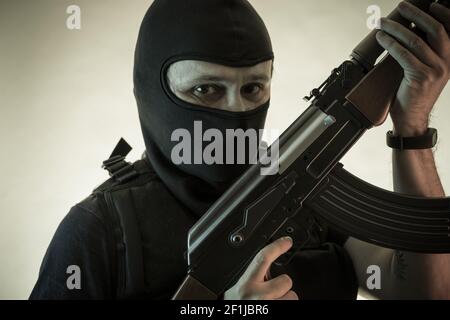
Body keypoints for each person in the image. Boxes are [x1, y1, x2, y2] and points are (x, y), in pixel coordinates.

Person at [30, 0, 450, 300]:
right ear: (154, 94)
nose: (237, 111)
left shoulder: (300, 184)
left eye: (253, 88)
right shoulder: (99, 230)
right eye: (206, 89)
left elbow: (423, 291)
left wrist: (411, 127)